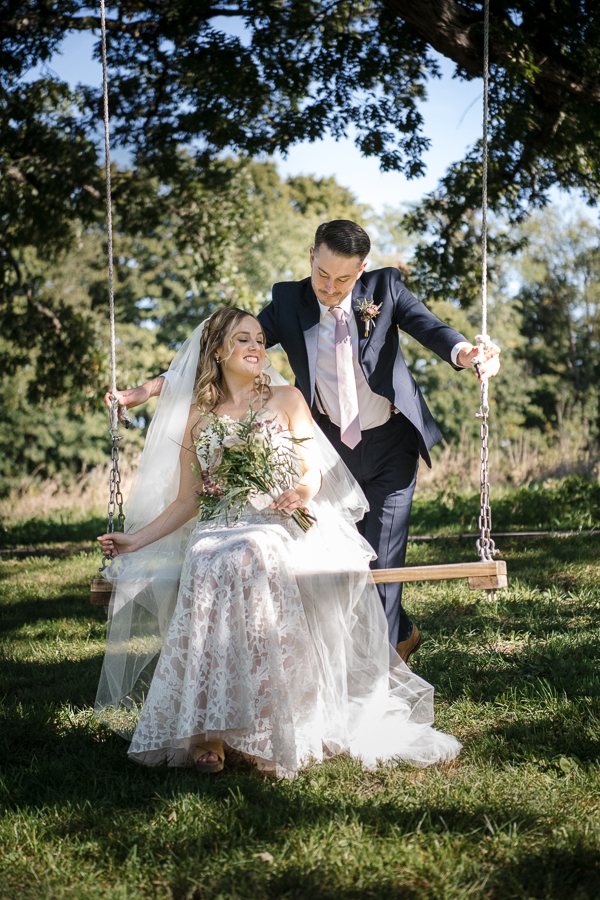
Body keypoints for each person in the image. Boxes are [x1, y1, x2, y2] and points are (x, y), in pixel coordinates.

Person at [107, 220, 500, 665]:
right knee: (339, 561)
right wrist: (146, 390)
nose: (330, 288)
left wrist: (467, 353)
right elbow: (222, 346)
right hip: (329, 448)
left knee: (384, 561)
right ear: (311, 256)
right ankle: (397, 632)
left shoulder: (386, 288)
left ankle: (386, 663)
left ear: (362, 270)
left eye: (344, 279)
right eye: (322, 275)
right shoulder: (288, 301)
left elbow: (432, 328)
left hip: (392, 442)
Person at [95, 307, 461, 777]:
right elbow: (187, 501)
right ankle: (211, 729)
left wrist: (300, 493)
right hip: (219, 524)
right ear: (218, 351)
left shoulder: (287, 399)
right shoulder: (196, 417)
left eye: (259, 338)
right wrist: (135, 540)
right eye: (243, 339)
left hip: (277, 521)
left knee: (252, 553)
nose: (255, 347)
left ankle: (269, 725)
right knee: (207, 556)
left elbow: (312, 470)